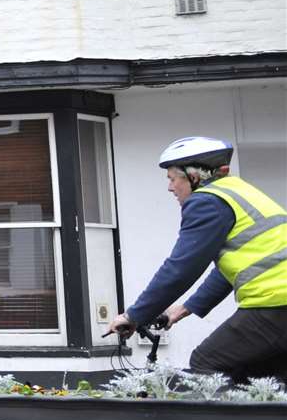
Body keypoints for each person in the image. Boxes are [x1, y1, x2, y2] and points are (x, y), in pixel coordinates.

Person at [107, 136, 287, 383]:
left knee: (207, 362)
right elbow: (236, 268)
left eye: (172, 178)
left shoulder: (207, 202)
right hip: (279, 303)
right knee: (265, 377)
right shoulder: (238, 191)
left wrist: (133, 315)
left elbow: (181, 268)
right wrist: (184, 309)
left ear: (194, 176)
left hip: (275, 304)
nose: (170, 187)